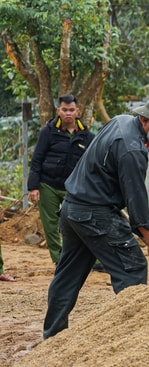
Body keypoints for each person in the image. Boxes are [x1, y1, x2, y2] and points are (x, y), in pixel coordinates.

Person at [42, 97, 149, 339]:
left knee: (67, 275)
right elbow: (135, 196)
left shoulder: (120, 121)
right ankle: (132, 336)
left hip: (73, 208)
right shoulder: (132, 149)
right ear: (146, 120)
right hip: (94, 214)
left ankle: (52, 335)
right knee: (133, 267)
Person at [27, 94, 94, 264]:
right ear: (58, 111)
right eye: (64, 110)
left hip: (73, 188)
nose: (68, 113)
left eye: (71, 110)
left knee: (79, 222)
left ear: (78, 111)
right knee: (50, 224)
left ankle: (88, 259)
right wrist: (33, 187)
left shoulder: (87, 136)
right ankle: (59, 260)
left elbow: (91, 164)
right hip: (47, 185)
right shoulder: (48, 132)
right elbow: (36, 160)